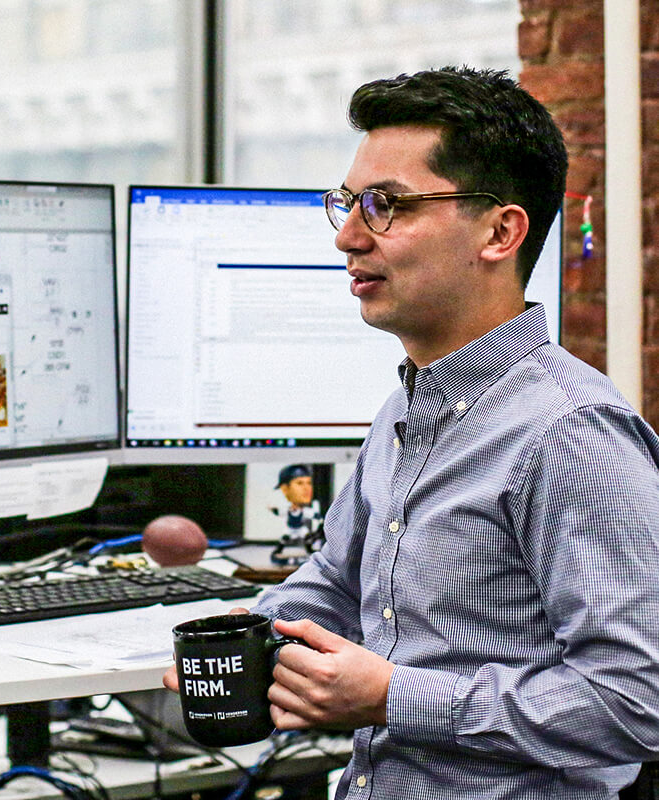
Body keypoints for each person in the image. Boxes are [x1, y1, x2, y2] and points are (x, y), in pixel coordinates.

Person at [166, 66, 659, 798]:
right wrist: (251, 637)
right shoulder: (407, 408)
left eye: (386, 206)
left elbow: (637, 700)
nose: (349, 238)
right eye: (348, 204)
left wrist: (396, 696)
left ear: (500, 232)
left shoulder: (570, 434)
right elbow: (337, 582)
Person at [268, 464, 321, 565]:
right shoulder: (288, 510)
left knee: (307, 538)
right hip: (291, 528)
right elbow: (279, 512)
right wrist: (272, 509)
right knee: (284, 539)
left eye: (309, 483)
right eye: (299, 483)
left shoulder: (303, 510)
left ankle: (310, 551)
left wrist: (321, 519)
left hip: (300, 528)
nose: (306, 489)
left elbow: (314, 515)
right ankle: (278, 550)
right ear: (285, 489)